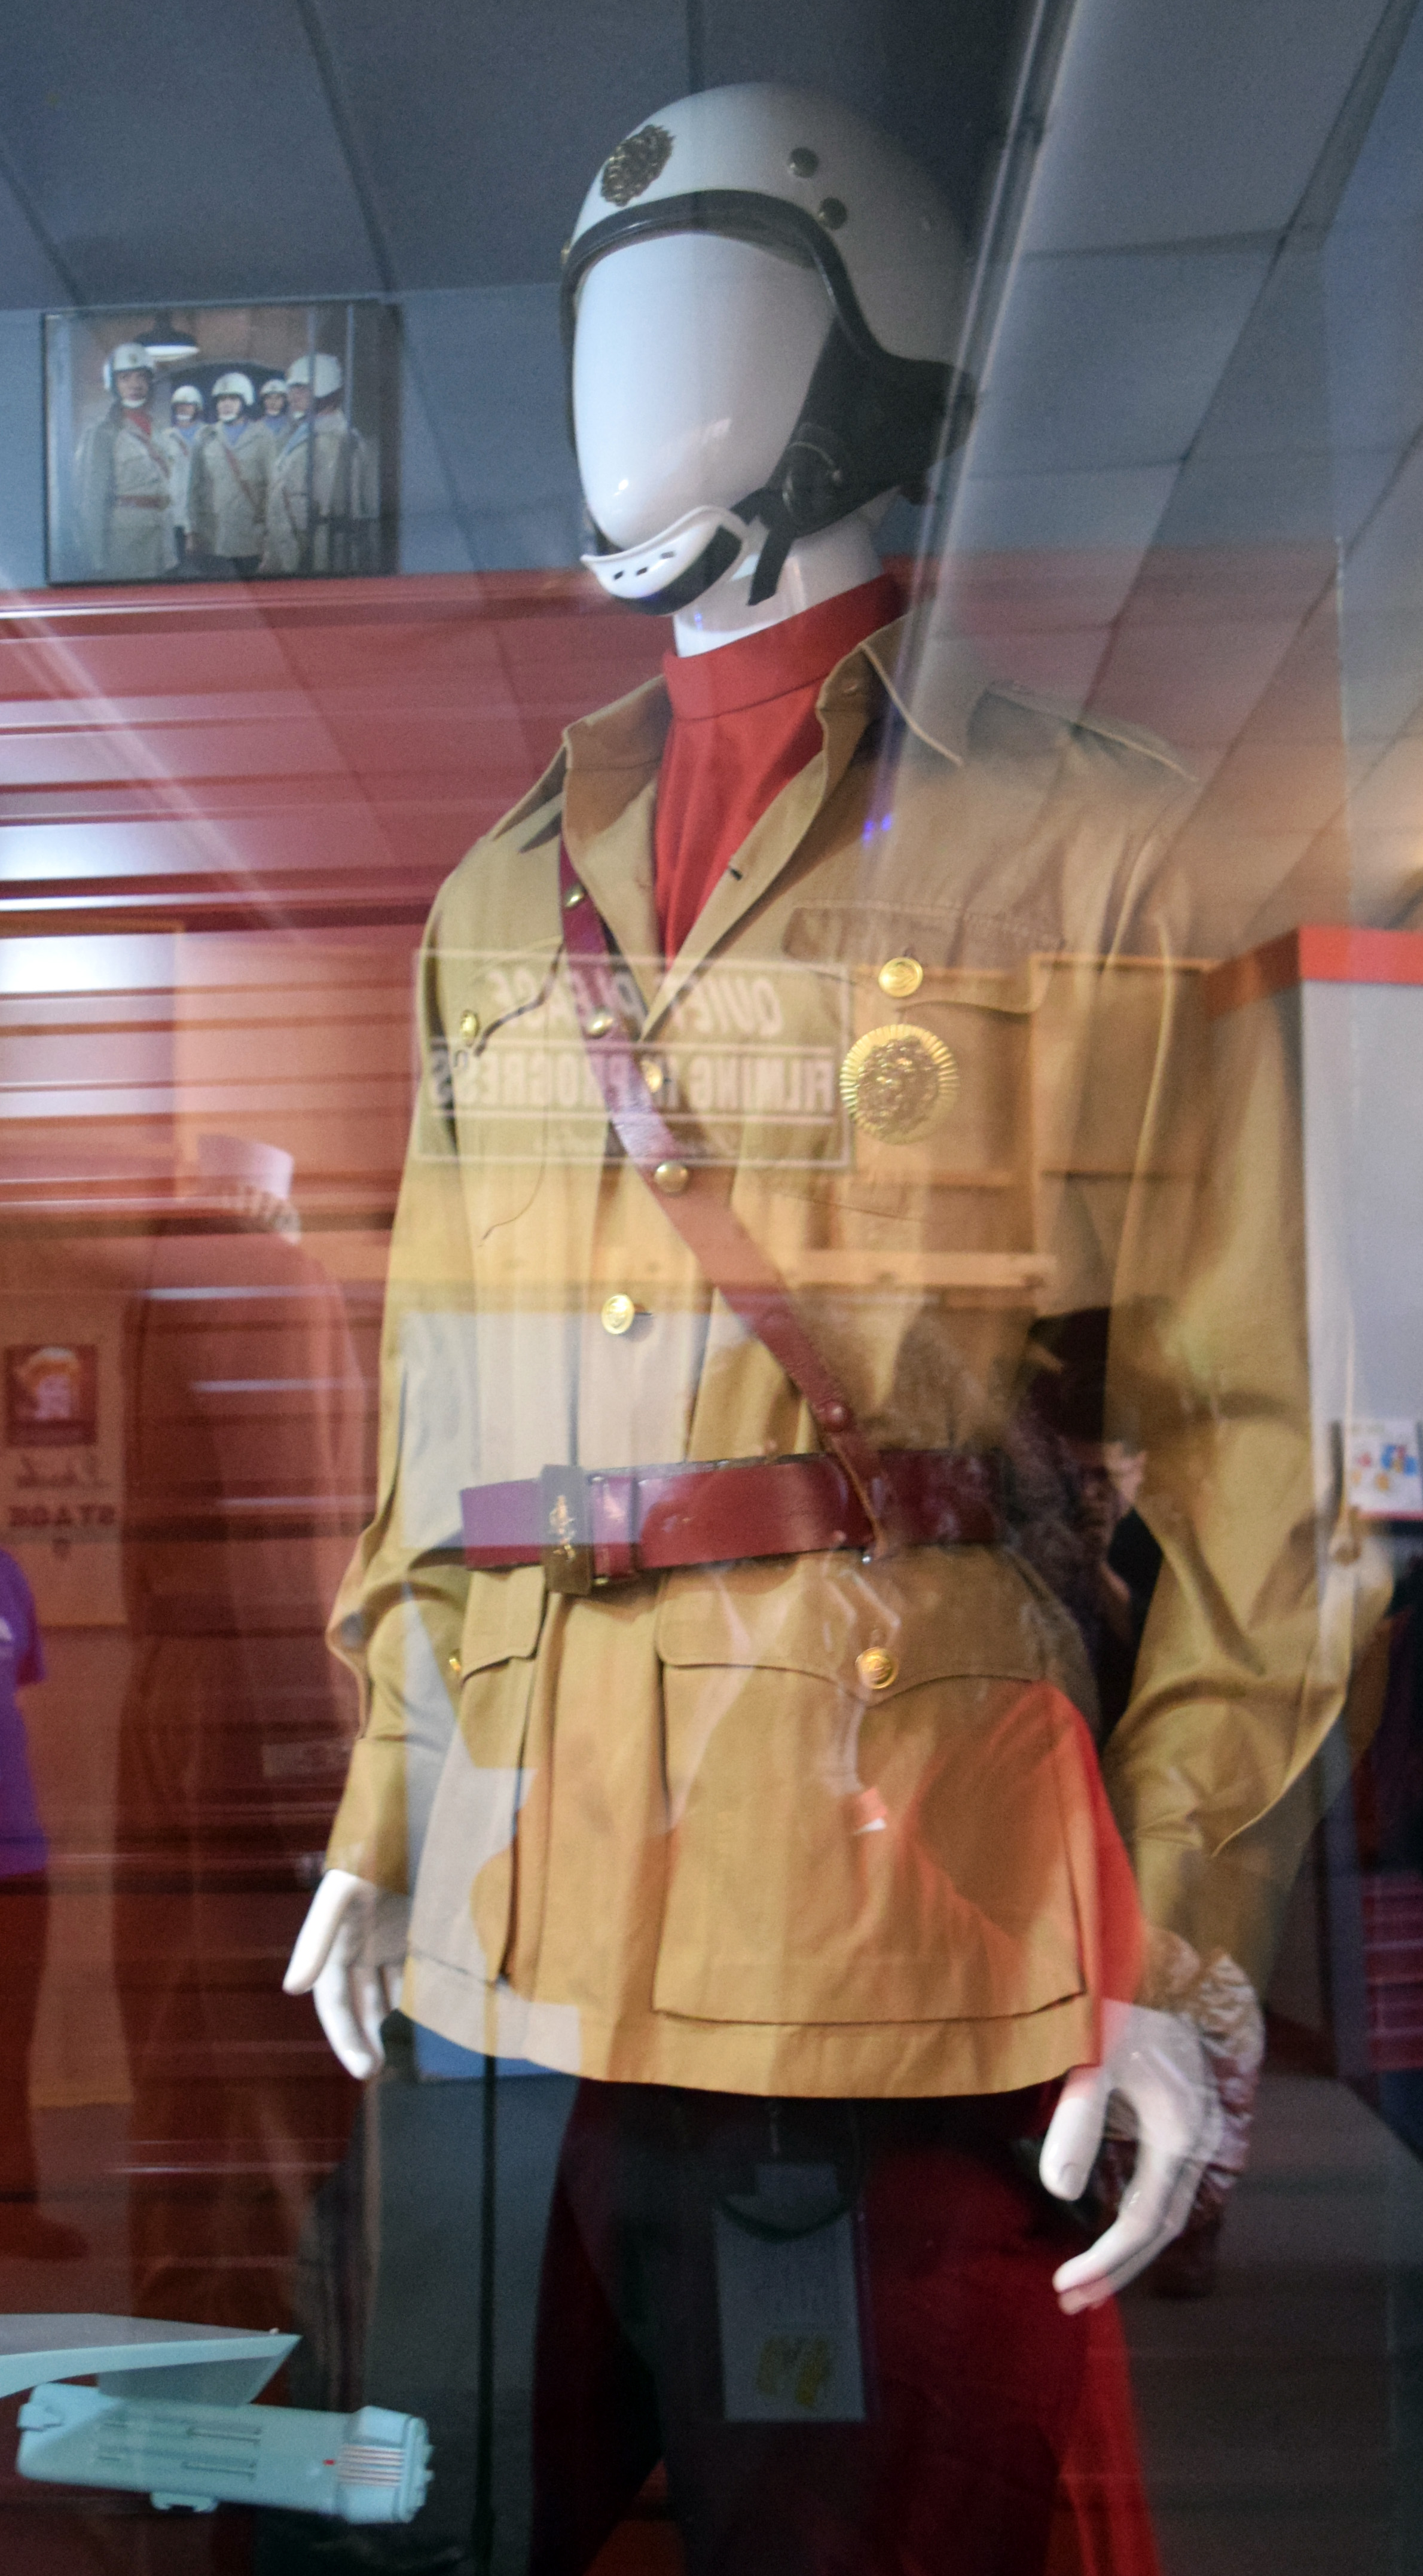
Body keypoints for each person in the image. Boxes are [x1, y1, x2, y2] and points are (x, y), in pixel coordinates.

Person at [285, 84, 1381, 2576]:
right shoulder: (499, 899)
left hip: (888, 1958)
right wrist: (379, 1818)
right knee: (388, 2535)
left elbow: (1271, 1441)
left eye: (717, 314)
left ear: (864, 371)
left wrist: (1168, 1931)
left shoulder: (1103, 851)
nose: (635, 387)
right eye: (610, 324)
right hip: (499, 1953)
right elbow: (436, 1422)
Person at [115, 1135, 366, 2330]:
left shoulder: (160, 1284)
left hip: (174, 1690)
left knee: (183, 2064)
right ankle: (262, 2375)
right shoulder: (272, 1277)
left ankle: (183, 2354)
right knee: (276, 2070)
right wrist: (328, 1760)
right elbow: (290, 1536)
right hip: (259, 1694)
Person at [0, 1544, 84, 2262]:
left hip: (16, 1856)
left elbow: (18, 1695)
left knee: (10, 2045)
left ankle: (13, 2214)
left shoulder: (7, 1574)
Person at [260, 352, 377, 575]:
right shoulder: (303, 433)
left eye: (301, 388)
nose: (292, 396)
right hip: (290, 555)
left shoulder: (339, 441)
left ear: (325, 387)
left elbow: (337, 515)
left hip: (316, 560)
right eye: (292, 388)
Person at [72, 340, 175, 580]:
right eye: (125, 378)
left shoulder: (159, 429)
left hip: (161, 537)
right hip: (125, 541)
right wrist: (96, 559)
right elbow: (92, 500)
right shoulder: (103, 433)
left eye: (141, 377)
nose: (135, 385)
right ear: (114, 384)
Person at [187, 371, 271, 578]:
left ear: (245, 401)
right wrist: (192, 531)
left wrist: (271, 536)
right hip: (214, 537)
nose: (226, 405)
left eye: (233, 399)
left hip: (251, 537)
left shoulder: (262, 437)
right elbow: (194, 488)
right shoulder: (205, 437)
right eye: (221, 400)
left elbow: (273, 488)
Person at [158, 382, 204, 568]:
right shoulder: (165, 437)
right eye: (179, 406)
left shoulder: (209, 435)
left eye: (188, 405)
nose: (184, 409)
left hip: (202, 515)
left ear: (197, 408)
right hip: (174, 514)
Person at [258, 376, 292, 445]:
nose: (273, 402)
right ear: (264, 401)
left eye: (278, 398)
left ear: (285, 400)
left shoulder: (292, 424)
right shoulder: (256, 426)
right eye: (269, 398)